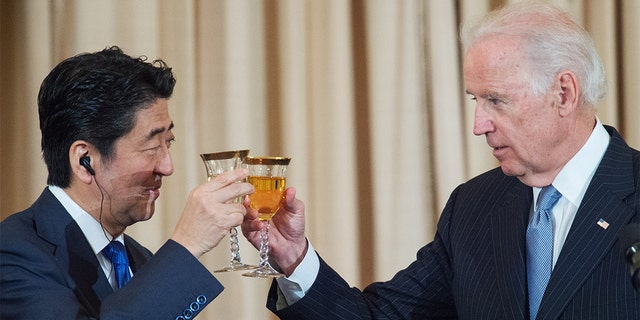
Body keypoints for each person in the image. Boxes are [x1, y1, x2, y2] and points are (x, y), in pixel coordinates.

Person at [241, 2, 640, 319]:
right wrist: (294, 260)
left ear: (564, 94)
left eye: (496, 101)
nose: (478, 125)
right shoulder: (474, 207)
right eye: (475, 100)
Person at [0, 46, 254, 319]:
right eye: (151, 146)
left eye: (168, 143)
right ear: (85, 160)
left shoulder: (141, 259)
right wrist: (187, 244)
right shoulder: (13, 253)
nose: (168, 167)